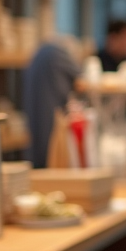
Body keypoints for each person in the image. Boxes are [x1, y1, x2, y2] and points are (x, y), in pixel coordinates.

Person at [22, 38, 81, 168]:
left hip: (35, 115)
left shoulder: (40, 54)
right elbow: (81, 78)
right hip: (50, 117)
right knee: (50, 151)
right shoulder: (58, 54)